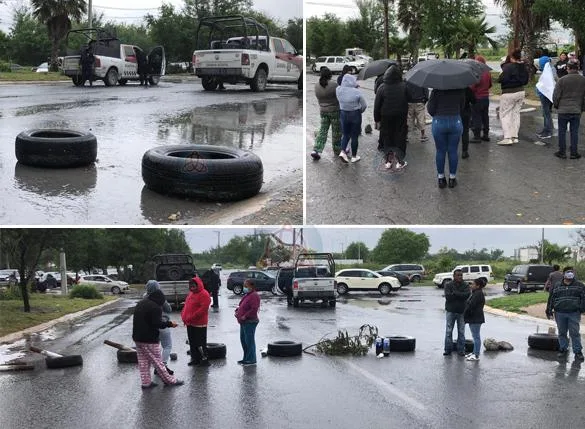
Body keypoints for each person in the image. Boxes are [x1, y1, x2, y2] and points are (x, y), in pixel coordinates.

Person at [132, 289, 183, 388]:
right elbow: (157, 324)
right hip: (149, 340)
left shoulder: (141, 303)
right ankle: (170, 381)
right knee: (158, 362)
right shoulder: (155, 307)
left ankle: (146, 383)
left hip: (137, 338)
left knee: (143, 361)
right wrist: (170, 324)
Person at [427, 88, 465, 188]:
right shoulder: (460, 90)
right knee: (453, 150)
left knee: (440, 151)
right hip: (455, 121)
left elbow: (430, 110)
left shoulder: (436, 91)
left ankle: (441, 179)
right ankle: (452, 179)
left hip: (439, 122)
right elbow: (462, 107)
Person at [374, 65, 409, 170]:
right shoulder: (404, 86)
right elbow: (410, 98)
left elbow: (377, 105)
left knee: (387, 138)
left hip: (386, 117)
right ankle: (399, 161)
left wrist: (377, 119)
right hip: (401, 116)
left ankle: (388, 161)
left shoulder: (382, 87)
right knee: (400, 138)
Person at [545, 270, 585, 361]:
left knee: (574, 333)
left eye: (571, 273)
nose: (569, 275)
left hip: (574, 313)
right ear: (563, 275)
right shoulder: (557, 285)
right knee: (562, 333)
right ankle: (563, 349)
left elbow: (584, 298)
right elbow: (551, 298)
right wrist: (549, 310)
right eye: (567, 273)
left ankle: (578, 352)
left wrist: (582, 309)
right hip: (560, 313)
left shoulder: (580, 285)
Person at [552, 60, 585, 159]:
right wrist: (582, 108)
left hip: (563, 109)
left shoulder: (562, 80)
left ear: (568, 68)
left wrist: (557, 106)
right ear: (577, 68)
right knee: (574, 132)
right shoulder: (583, 80)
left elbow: (556, 96)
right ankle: (574, 153)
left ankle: (562, 152)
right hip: (576, 109)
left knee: (562, 131)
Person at [497, 49, 529, 145]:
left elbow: (502, 79)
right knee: (516, 114)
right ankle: (515, 136)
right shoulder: (523, 67)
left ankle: (507, 137)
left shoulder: (508, 67)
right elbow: (526, 80)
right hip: (521, 91)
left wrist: (501, 76)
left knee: (505, 114)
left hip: (509, 92)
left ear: (512, 57)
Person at [143, 280, 174, 375]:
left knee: (156, 347)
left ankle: (157, 366)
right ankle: (163, 365)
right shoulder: (160, 297)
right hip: (162, 323)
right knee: (167, 346)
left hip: (150, 325)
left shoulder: (145, 297)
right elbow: (169, 309)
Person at [336, 73, 367, 163]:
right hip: (355, 114)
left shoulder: (338, 89)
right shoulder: (357, 92)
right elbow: (364, 105)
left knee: (345, 134)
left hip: (343, 113)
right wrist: (360, 111)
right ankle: (354, 156)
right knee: (354, 136)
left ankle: (343, 151)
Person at [311, 67, 341, 160]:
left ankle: (316, 150)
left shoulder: (316, 85)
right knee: (336, 132)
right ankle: (337, 150)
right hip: (335, 110)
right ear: (330, 75)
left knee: (323, 130)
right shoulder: (334, 85)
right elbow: (339, 96)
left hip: (323, 110)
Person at [181, 275, 211, 366]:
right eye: (190, 285)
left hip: (199, 323)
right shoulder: (191, 294)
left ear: (198, 285)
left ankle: (204, 359)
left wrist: (191, 317)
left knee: (200, 343)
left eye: (194, 285)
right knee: (192, 342)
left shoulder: (204, 294)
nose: (192, 287)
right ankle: (195, 359)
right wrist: (183, 315)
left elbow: (203, 309)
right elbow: (186, 306)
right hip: (190, 322)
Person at [443, 269, 471, 356]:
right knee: (449, 331)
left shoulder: (465, 285)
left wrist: (455, 293)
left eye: (461, 275)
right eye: (458, 275)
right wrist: (460, 295)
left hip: (461, 311)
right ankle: (448, 349)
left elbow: (466, 295)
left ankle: (461, 350)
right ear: (454, 276)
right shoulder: (448, 285)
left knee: (461, 332)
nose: (460, 277)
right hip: (450, 310)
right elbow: (448, 297)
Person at [235, 279, 260, 366]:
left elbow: (254, 309)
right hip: (243, 322)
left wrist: (245, 316)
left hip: (250, 321)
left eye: (246, 286)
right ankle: (246, 358)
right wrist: (237, 311)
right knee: (244, 340)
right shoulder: (247, 295)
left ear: (252, 286)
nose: (244, 287)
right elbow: (241, 306)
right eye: (244, 285)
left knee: (249, 341)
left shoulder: (254, 296)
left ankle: (251, 359)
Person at [470, 55, 492, 142]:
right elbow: (490, 84)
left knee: (476, 116)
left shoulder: (477, 72)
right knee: (485, 116)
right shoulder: (488, 72)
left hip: (477, 97)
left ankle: (477, 136)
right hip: (486, 97)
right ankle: (486, 134)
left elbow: (473, 87)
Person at [463, 278, 486, 361]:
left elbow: (471, 306)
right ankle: (474, 352)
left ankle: (476, 355)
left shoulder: (478, 294)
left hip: (476, 318)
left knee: (476, 337)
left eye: (473, 284)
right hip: (474, 318)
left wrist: (465, 315)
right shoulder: (476, 292)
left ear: (478, 286)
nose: (471, 285)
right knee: (475, 336)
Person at [535, 55, 555, 139]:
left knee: (546, 113)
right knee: (546, 113)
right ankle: (547, 129)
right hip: (547, 94)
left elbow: (545, 84)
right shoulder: (550, 69)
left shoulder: (548, 71)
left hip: (545, 95)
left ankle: (548, 131)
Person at [460, 87, 476, 159]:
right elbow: (474, 101)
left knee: (454, 132)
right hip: (466, 112)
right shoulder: (468, 89)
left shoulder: (454, 89)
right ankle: (464, 151)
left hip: (455, 112)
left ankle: (452, 150)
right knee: (465, 132)